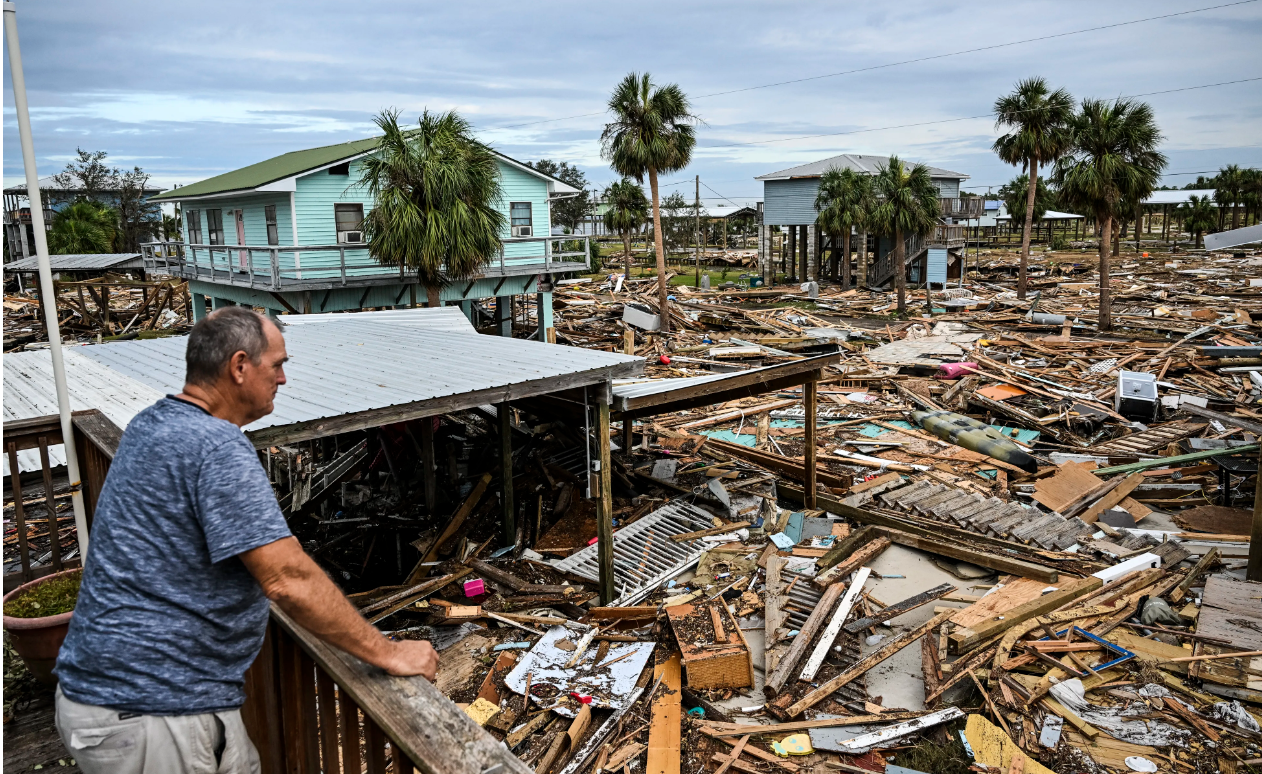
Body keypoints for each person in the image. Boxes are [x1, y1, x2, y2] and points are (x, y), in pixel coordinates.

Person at [54, 307, 437, 774]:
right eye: (277, 365)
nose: (283, 379)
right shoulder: (216, 445)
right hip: (153, 707)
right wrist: (390, 653)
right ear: (239, 367)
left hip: (115, 694)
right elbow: (286, 578)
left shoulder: (151, 424)